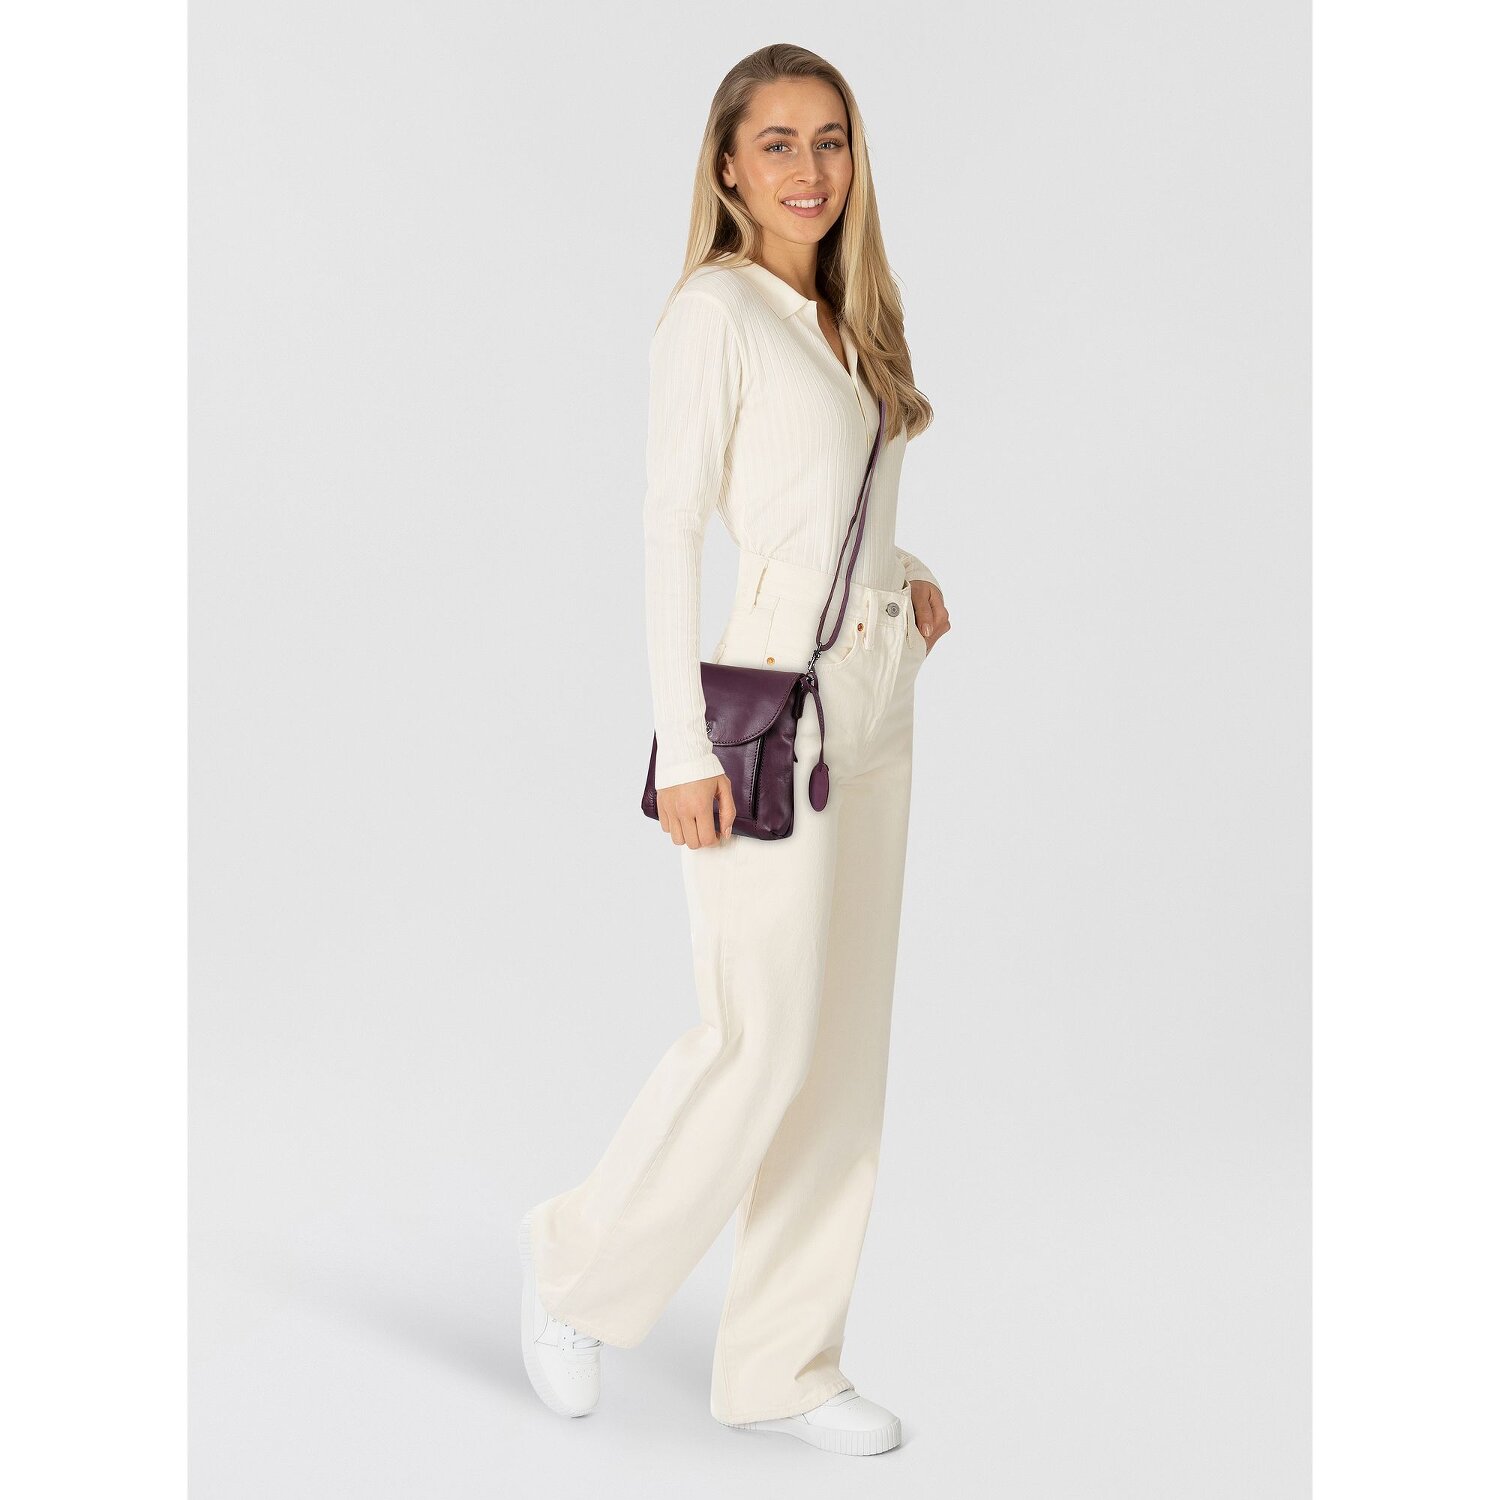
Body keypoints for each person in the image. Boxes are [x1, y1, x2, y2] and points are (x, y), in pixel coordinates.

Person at [519, 42, 952, 1458]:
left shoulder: (848, 319)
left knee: (842, 1055)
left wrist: (907, 580)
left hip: (874, 698)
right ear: (726, 167)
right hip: (766, 711)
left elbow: (820, 510)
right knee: (757, 1038)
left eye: (831, 140)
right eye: (778, 143)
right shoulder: (715, 312)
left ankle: (782, 1365)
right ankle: (575, 1269)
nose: (810, 170)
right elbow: (671, 530)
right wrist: (682, 746)